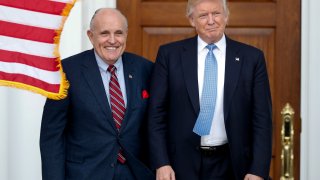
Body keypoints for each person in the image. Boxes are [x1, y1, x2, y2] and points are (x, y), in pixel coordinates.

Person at [148, 0, 272, 179]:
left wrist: (258, 170)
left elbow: (262, 119)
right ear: (192, 20)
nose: (211, 20)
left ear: (226, 16)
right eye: (203, 15)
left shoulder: (252, 58)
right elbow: (156, 114)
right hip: (180, 166)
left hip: (234, 166)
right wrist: (161, 162)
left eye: (216, 13)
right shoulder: (169, 56)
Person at [40, 8, 154, 180]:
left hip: (135, 173)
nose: (112, 40)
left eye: (119, 33)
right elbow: (52, 137)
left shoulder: (145, 69)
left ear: (126, 34)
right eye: (104, 33)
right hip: (85, 174)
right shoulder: (67, 72)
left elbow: (157, 123)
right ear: (91, 36)